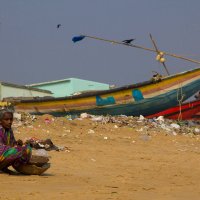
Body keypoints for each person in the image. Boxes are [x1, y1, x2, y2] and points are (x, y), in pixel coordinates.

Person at [0, 109, 32, 174]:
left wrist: (18, 143)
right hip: (2, 153)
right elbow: (1, 147)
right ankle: (2, 167)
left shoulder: (9, 130)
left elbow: (12, 143)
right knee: (15, 151)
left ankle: (4, 167)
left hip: (5, 153)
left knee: (28, 148)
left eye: (11, 119)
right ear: (0, 121)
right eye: (6, 119)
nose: (9, 122)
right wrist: (16, 148)